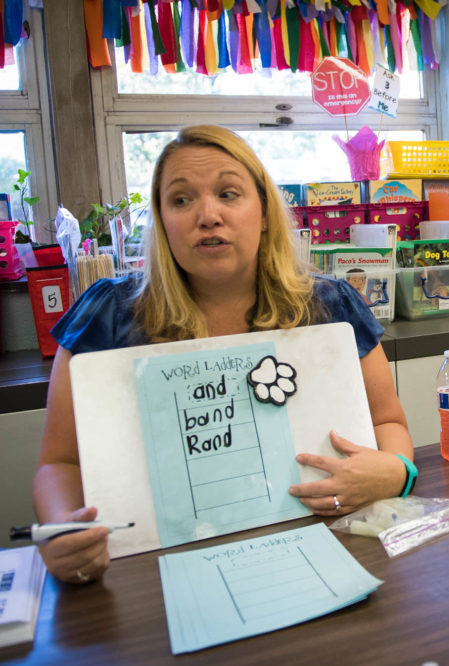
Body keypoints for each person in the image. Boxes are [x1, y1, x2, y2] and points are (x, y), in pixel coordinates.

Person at [32, 125, 414, 585]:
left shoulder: (330, 305)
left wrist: (396, 472)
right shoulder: (108, 315)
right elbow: (59, 463)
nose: (207, 215)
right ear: (162, 220)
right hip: (151, 575)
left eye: (229, 194)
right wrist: (65, 529)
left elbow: (388, 423)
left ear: (266, 213)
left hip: (326, 549)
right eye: (181, 200)